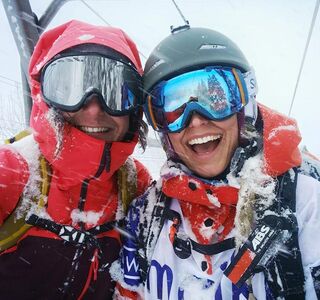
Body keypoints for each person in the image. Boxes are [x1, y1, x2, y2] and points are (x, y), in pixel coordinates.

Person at [112, 25, 320, 299]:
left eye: (216, 98)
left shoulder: (305, 203)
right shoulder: (146, 215)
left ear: (244, 107)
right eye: (174, 108)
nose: (196, 119)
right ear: (162, 130)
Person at [0, 20, 152, 299]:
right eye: (69, 88)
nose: (94, 109)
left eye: (115, 92)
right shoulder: (12, 173)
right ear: (45, 95)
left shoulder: (135, 184)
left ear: (135, 109)